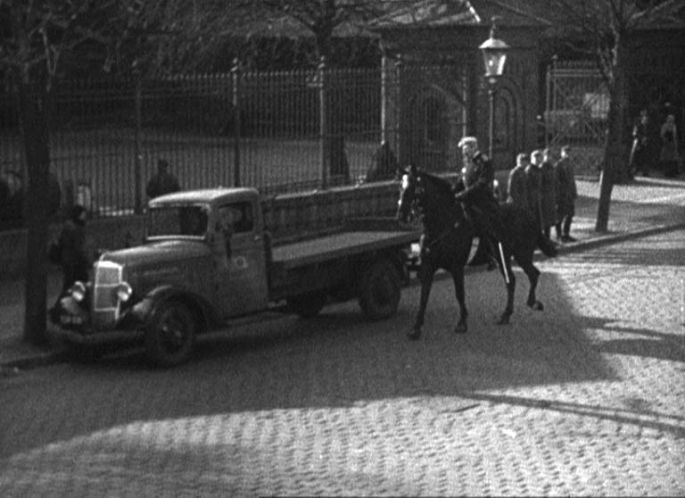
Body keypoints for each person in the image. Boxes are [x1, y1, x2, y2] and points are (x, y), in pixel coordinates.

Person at [453, 136, 503, 268]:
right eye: (463, 150)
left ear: (473, 147)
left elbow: (482, 183)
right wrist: (451, 193)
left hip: (482, 201)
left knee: (483, 226)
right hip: (468, 201)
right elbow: (461, 181)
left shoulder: (484, 162)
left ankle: (491, 256)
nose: (464, 152)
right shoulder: (467, 162)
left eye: (465, 149)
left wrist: (463, 194)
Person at [50, 205, 91, 320]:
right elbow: (79, 249)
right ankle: (61, 310)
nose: (85, 216)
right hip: (76, 264)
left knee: (68, 286)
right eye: (83, 214)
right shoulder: (76, 229)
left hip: (68, 262)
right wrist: (87, 262)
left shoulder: (68, 226)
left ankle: (59, 309)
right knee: (80, 287)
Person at [554, 145, 578, 242]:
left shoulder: (570, 164)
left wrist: (574, 192)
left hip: (569, 193)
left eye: (569, 152)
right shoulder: (559, 165)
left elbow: (572, 180)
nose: (568, 154)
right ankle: (559, 235)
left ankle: (566, 233)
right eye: (566, 152)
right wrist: (558, 194)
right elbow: (556, 181)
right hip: (562, 194)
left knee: (570, 214)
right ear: (562, 153)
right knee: (560, 215)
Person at [539, 148, 558, 239]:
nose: (548, 157)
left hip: (551, 195)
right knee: (544, 217)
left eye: (550, 155)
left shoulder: (552, 167)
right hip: (544, 195)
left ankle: (548, 237)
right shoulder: (542, 167)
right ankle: (544, 238)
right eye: (547, 155)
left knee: (550, 218)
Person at [526, 150, 544, 231]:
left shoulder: (539, 169)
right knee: (532, 217)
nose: (538, 161)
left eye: (539, 159)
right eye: (536, 158)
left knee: (538, 218)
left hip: (538, 196)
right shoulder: (529, 170)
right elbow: (527, 185)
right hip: (531, 197)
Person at [629, 110, 651, 177]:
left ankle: (645, 172)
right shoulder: (638, 125)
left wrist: (646, 139)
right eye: (645, 119)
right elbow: (634, 134)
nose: (646, 121)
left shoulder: (647, 127)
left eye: (647, 119)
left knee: (645, 158)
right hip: (638, 143)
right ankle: (633, 171)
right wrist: (641, 138)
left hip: (644, 144)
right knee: (635, 158)